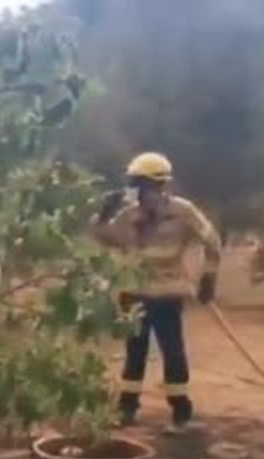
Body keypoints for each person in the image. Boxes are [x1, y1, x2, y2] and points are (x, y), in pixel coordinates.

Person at [95, 152, 222, 434]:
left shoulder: (183, 212)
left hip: (166, 294)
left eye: (143, 187)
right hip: (134, 293)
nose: (139, 194)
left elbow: (212, 241)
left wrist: (208, 278)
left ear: (159, 186)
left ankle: (181, 412)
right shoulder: (129, 215)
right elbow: (107, 239)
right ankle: (127, 408)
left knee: (172, 351)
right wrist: (104, 216)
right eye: (135, 187)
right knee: (135, 352)